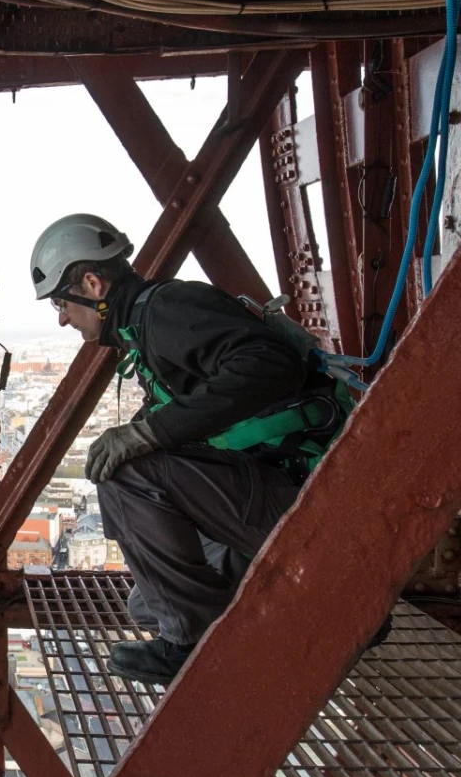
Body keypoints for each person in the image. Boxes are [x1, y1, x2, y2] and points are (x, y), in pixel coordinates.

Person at [29, 213, 374, 684]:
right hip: (282, 493)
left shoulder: (167, 310)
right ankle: (333, 609)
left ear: (91, 283)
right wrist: (151, 428)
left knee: (126, 473)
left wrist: (148, 434)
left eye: (61, 305)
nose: (64, 318)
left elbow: (271, 366)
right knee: (147, 604)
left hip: (304, 497)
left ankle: (192, 643)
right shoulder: (148, 331)